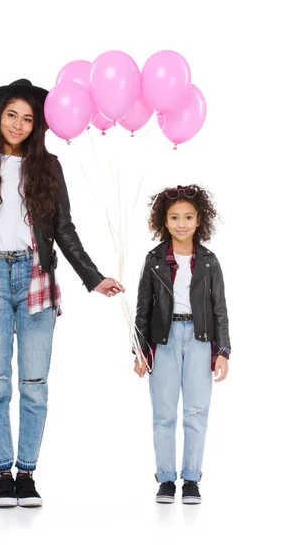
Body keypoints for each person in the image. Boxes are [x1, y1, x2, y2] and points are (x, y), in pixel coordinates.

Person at [0, 78, 124, 508]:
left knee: (34, 385)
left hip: (36, 281)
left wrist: (93, 276)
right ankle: (1, 474)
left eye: (28, 119)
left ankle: (26, 474)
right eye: (12, 115)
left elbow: (63, 228)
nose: (19, 124)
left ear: (36, 126)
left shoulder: (48, 167)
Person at [133, 185, 230, 504]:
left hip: (201, 340)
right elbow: (142, 308)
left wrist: (223, 352)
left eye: (188, 217)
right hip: (164, 340)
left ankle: (191, 479)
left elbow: (219, 309)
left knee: (196, 411)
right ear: (164, 220)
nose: (181, 223)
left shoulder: (209, 261)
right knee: (163, 413)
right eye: (174, 217)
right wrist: (140, 351)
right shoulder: (154, 259)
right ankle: (165, 479)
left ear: (200, 219)